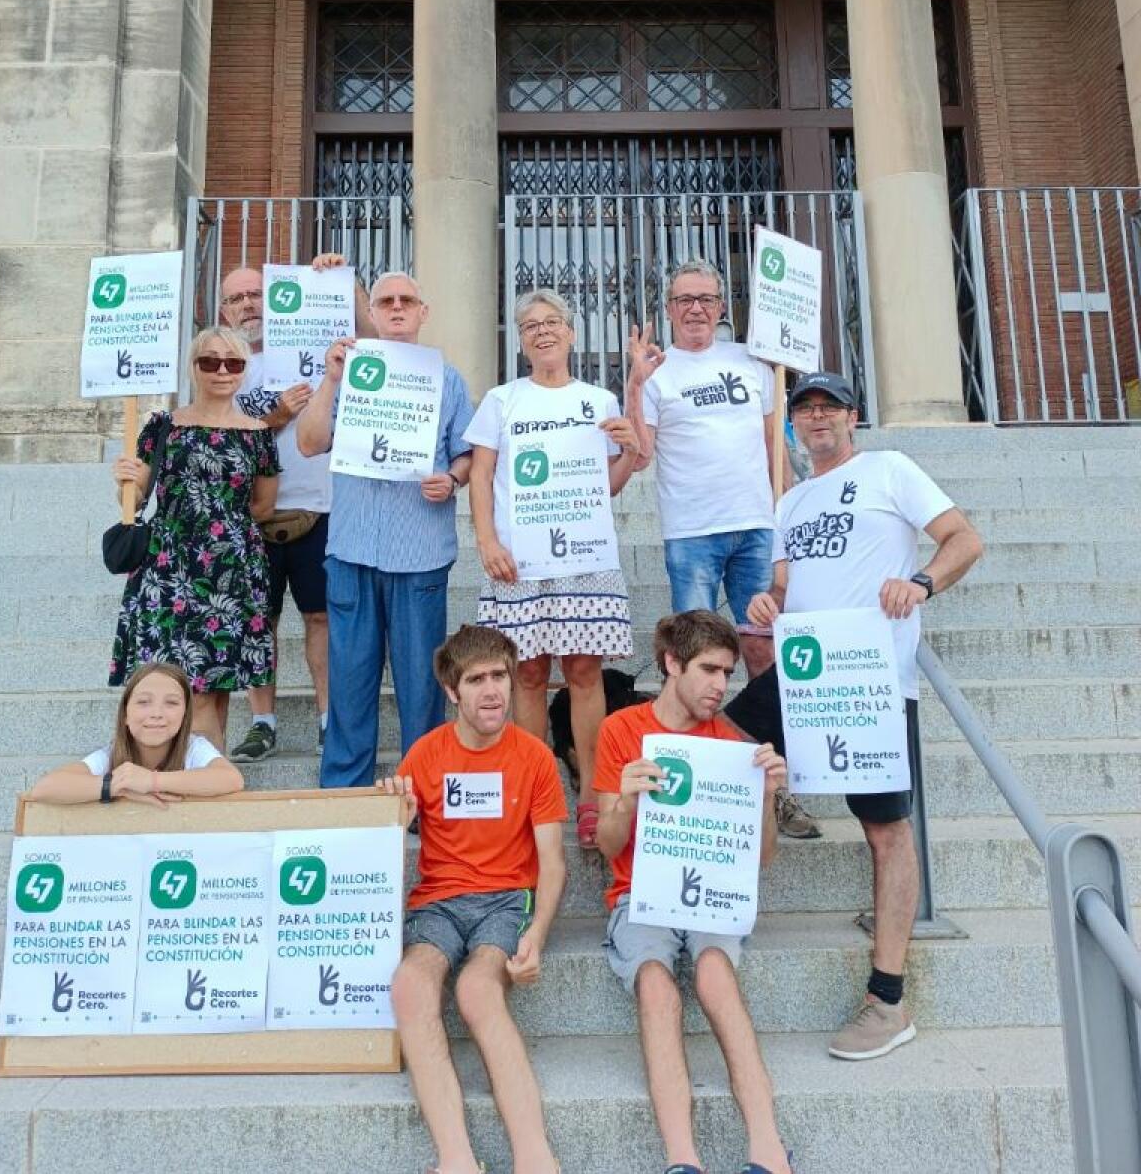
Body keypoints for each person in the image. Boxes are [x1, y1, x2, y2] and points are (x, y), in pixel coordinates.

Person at [748, 370, 983, 1061]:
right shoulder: (790, 500)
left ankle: (888, 997)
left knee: (885, 827)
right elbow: (784, 585)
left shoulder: (890, 469)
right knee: (722, 746)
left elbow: (964, 538)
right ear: (792, 426)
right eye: (804, 409)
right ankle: (698, 916)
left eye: (828, 407)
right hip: (805, 670)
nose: (816, 418)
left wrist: (920, 583)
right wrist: (767, 604)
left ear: (853, 416)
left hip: (871, 679)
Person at [626, 257, 820, 842]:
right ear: (669, 307)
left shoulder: (753, 364)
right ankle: (695, 782)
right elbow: (640, 453)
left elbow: (772, 442)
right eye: (685, 299)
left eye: (706, 299)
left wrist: (783, 510)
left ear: (720, 306)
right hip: (692, 534)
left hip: (757, 528)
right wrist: (634, 384)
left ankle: (775, 789)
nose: (696, 309)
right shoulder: (658, 371)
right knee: (690, 662)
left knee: (767, 658)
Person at [593, 609, 791, 1174]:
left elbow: (762, 857)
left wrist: (767, 797)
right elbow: (608, 846)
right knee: (656, 986)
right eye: (708, 670)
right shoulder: (621, 730)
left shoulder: (730, 740)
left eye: (728, 672)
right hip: (641, 893)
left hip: (710, 894)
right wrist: (627, 799)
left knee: (714, 974)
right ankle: (683, 1160)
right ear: (672, 664)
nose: (720, 686)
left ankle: (769, 1149)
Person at [379, 624, 566, 1174]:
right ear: (452, 691)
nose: (492, 691)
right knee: (411, 985)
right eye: (477, 679)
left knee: (477, 989)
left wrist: (536, 936)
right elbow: (388, 836)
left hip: (506, 901)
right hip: (437, 902)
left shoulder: (533, 757)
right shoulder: (425, 754)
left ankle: (535, 1157)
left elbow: (552, 864)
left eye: (500, 677)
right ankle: (457, 1159)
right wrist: (392, 810)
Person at [465, 288, 641, 849]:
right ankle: (534, 794)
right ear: (520, 342)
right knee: (530, 676)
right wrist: (487, 540)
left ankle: (592, 794)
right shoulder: (501, 400)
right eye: (529, 326)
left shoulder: (600, 400)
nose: (541, 332)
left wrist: (632, 454)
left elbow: (604, 488)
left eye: (551, 323)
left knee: (586, 675)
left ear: (571, 333)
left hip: (584, 561)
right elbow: (481, 475)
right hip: (520, 562)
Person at [298, 266, 475, 787]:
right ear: (371, 313)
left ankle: (420, 792)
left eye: (406, 299)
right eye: (385, 301)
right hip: (352, 550)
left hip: (419, 552)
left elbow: (466, 455)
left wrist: (452, 478)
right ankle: (344, 793)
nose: (396, 307)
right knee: (350, 681)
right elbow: (308, 442)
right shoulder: (347, 371)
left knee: (422, 685)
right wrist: (330, 379)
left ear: (423, 312)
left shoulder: (448, 379)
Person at [220, 260, 372, 763]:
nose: (247, 304)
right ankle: (263, 721)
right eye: (236, 298)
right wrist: (277, 413)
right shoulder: (223, 364)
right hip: (250, 514)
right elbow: (219, 434)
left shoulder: (317, 342)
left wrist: (340, 284)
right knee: (256, 621)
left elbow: (375, 345)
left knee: (319, 617)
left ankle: (329, 720)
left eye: (255, 294)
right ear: (223, 311)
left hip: (318, 504)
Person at [109, 326, 280, 750]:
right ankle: (197, 783)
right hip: (171, 569)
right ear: (193, 367)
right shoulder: (163, 426)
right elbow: (136, 499)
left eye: (233, 363)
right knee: (184, 684)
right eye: (210, 361)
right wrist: (123, 482)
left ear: (243, 371)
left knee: (215, 685)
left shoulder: (258, 434)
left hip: (231, 571)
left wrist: (223, 527)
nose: (222, 371)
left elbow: (263, 506)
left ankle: (204, 779)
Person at [30, 662, 244, 804]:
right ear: (125, 714)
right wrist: (117, 786)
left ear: (185, 715)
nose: (157, 714)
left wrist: (152, 781)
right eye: (143, 702)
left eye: (171, 703)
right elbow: (44, 788)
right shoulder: (110, 755)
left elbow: (231, 779)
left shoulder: (193, 747)